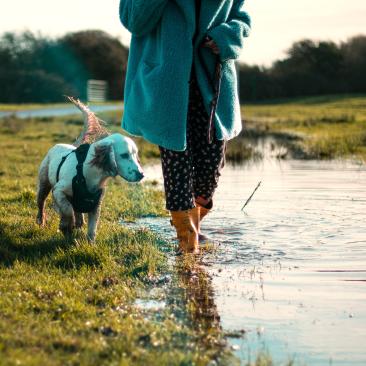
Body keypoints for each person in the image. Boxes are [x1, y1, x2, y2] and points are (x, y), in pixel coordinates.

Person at [119, 0, 251, 254]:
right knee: (175, 161)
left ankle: (193, 227)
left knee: (210, 166)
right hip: (165, 83)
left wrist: (226, 37)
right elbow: (133, 20)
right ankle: (187, 242)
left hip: (211, 81)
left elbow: (242, 19)